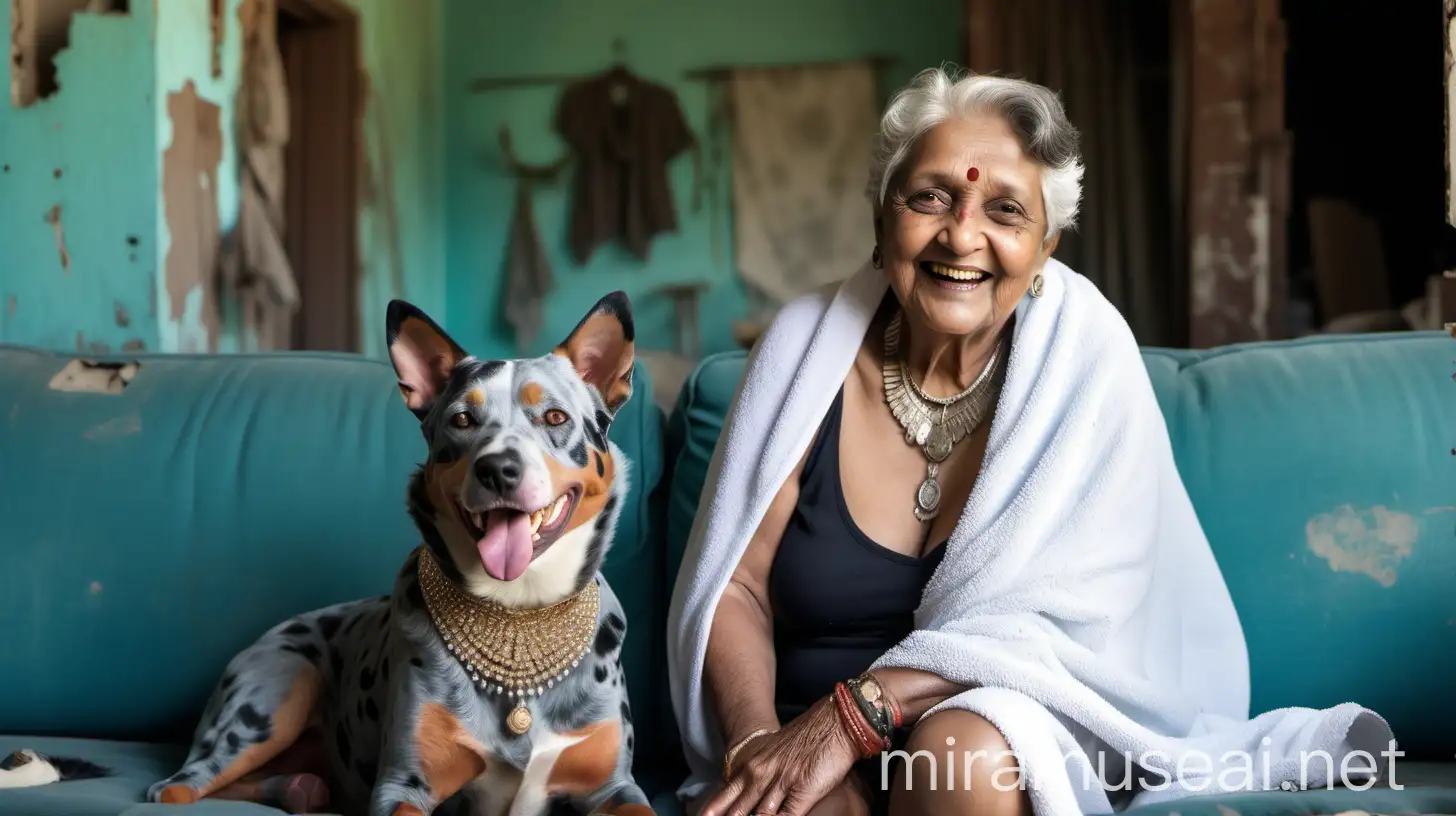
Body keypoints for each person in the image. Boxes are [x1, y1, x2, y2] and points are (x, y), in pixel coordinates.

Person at [665, 65, 1393, 816]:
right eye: (931, 197)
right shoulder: (803, 353)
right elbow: (736, 586)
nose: (962, 234)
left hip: (995, 738)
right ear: (882, 220)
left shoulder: (1087, 361)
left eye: (1005, 211)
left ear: (1045, 248)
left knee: (959, 758)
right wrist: (759, 747)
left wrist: (855, 717)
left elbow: (1062, 632)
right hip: (803, 742)